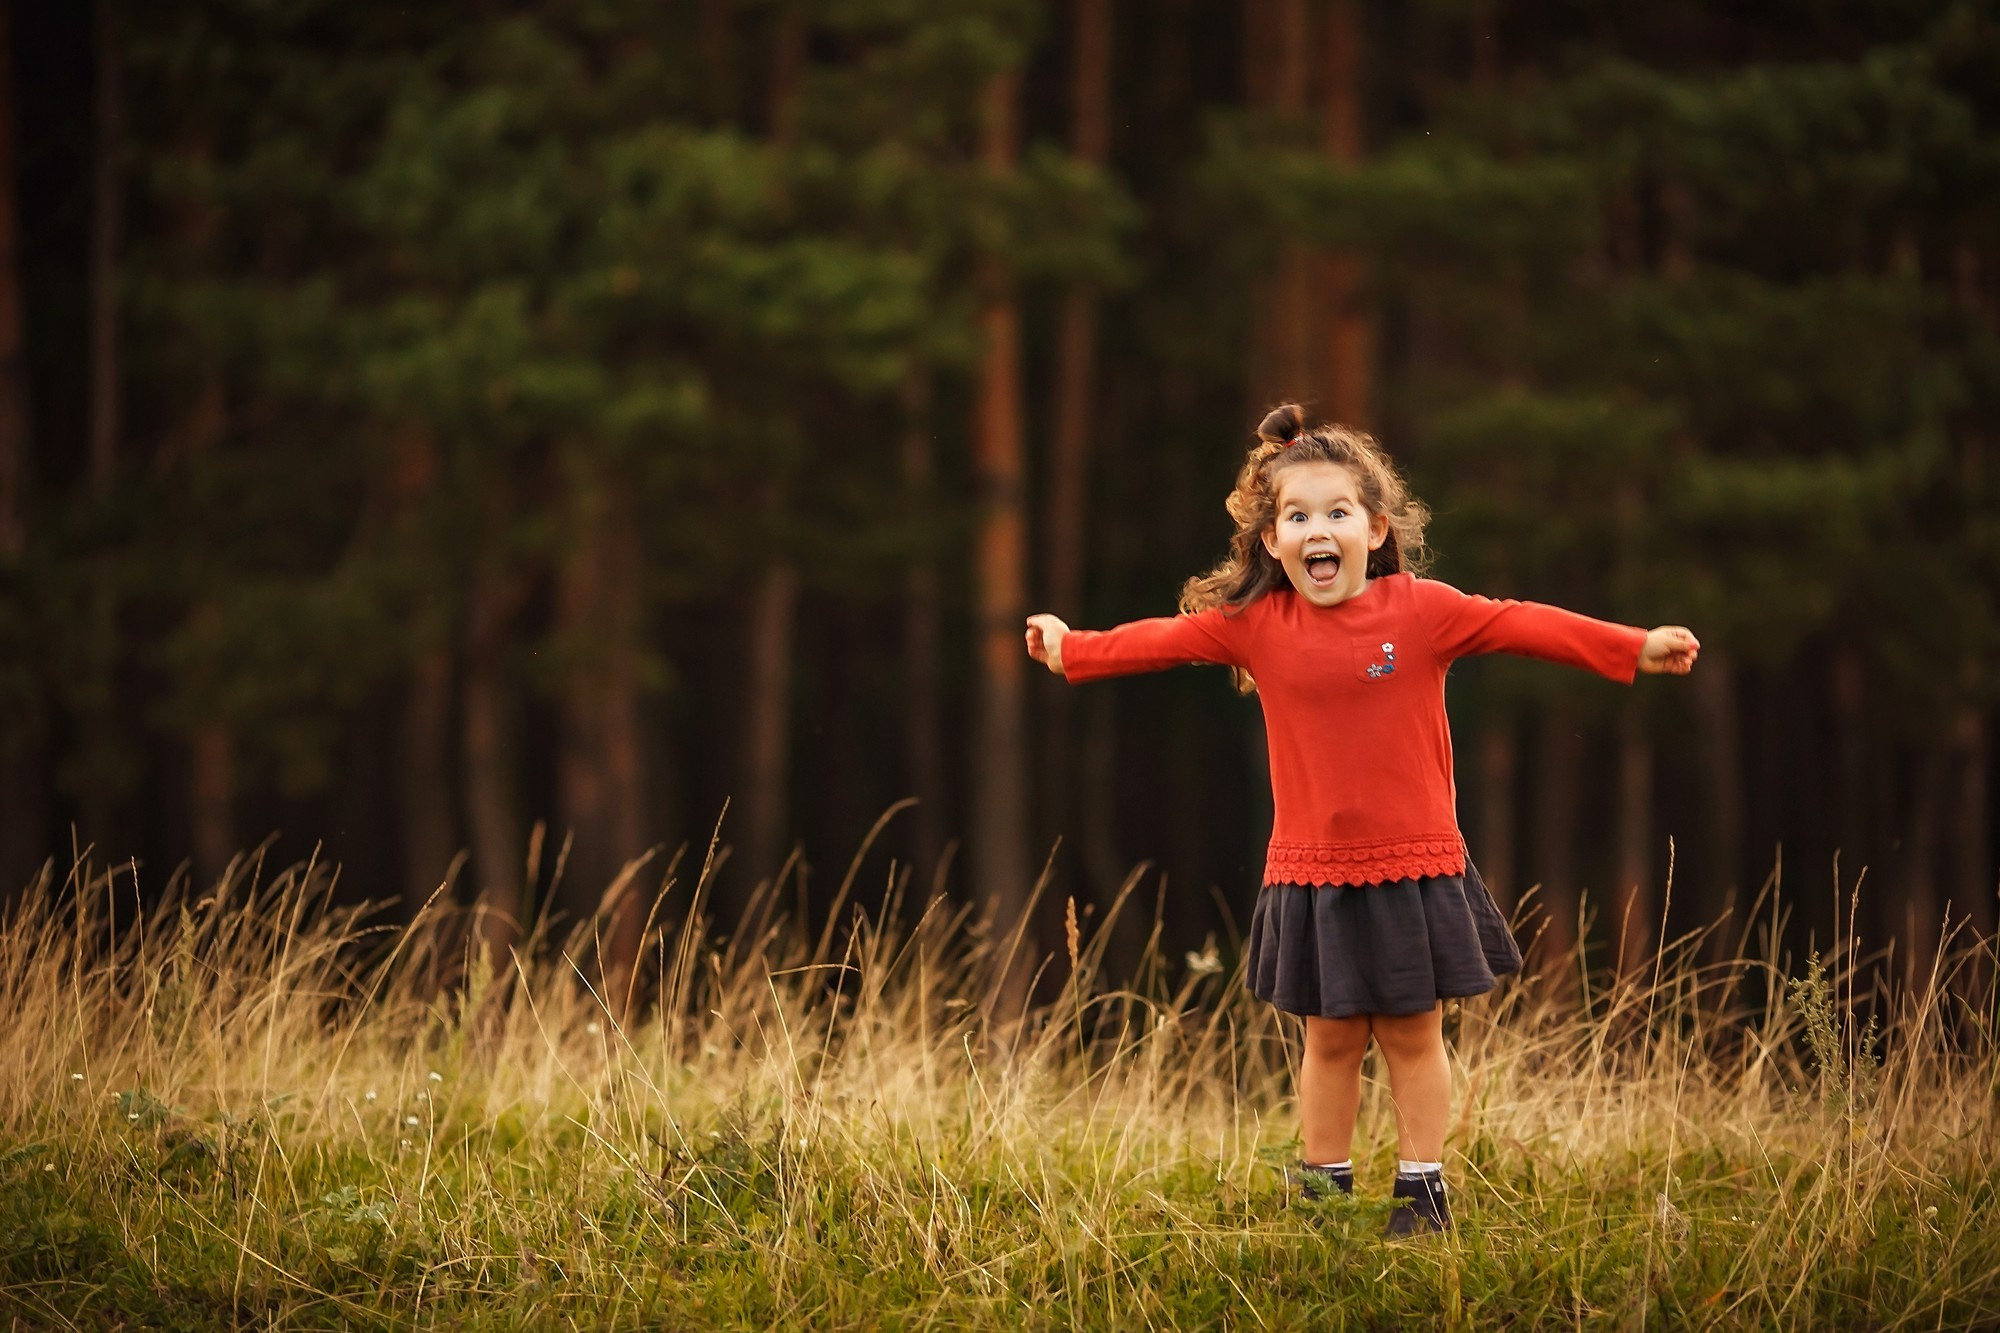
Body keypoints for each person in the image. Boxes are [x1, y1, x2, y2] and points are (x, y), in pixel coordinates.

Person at [1023, 404, 1699, 1238]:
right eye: (1297, 515)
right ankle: (1325, 1200)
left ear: (1375, 528)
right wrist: (1070, 647)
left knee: (1413, 1033)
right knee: (1332, 1037)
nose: (1318, 528)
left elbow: (1522, 621)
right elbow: (1159, 640)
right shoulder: (1257, 626)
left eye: (1337, 512)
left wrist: (1632, 644)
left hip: (1414, 863)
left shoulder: (1421, 611)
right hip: (1312, 871)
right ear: (1272, 542)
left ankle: (1422, 1195)